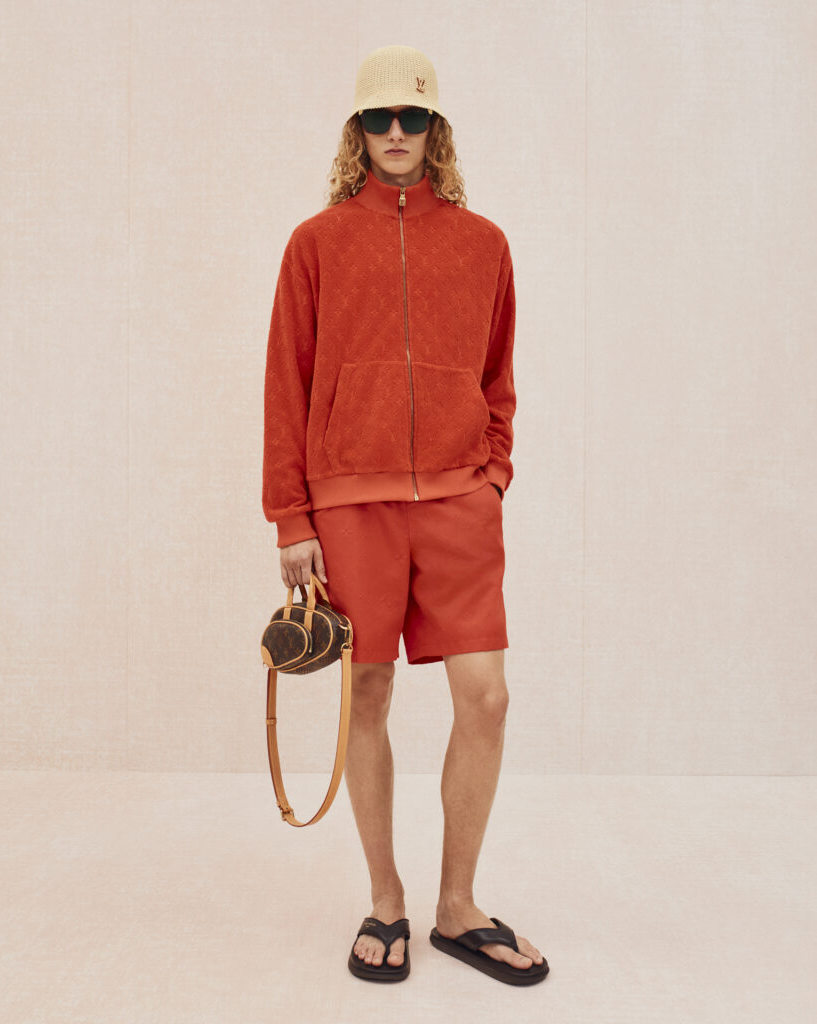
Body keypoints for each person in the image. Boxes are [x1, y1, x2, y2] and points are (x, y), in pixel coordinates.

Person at [262, 44, 548, 986]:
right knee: (371, 690)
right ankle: (385, 899)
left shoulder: (483, 243)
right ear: (357, 130)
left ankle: (457, 906)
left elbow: (498, 376)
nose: (396, 132)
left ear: (435, 129)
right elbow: (286, 381)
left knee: (487, 697)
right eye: (379, 118)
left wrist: (492, 473)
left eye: (412, 117)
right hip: (351, 503)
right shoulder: (314, 243)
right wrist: (290, 516)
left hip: (459, 500)